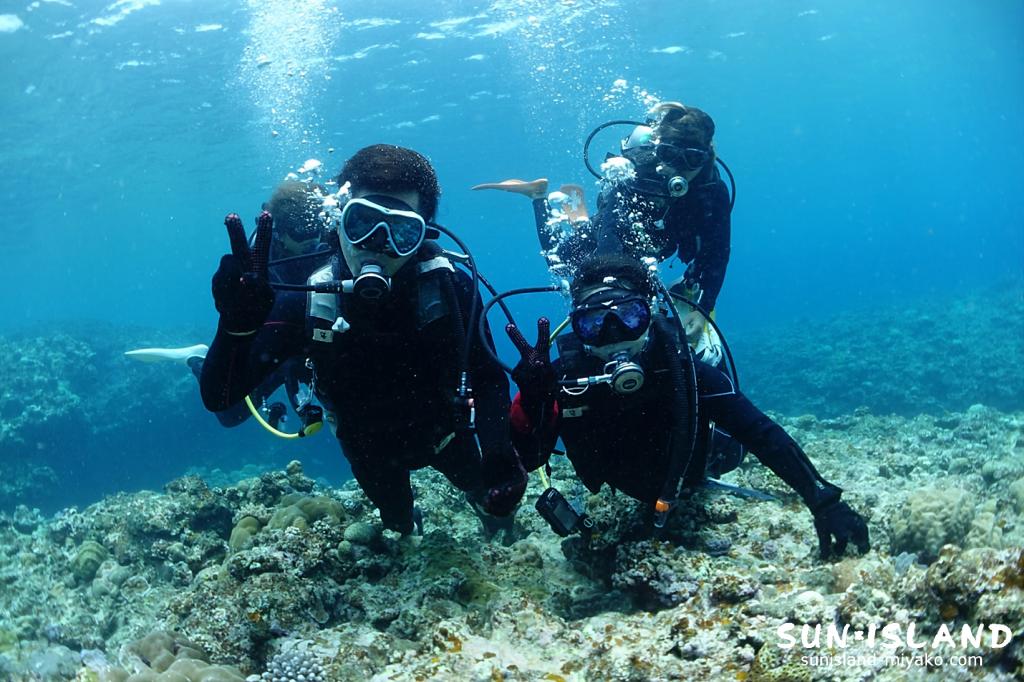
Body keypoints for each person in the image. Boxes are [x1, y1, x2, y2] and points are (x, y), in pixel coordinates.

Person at [199, 144, 523, 535]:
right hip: (369, 451)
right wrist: (234, 330)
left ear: (423, 235)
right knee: (398, 521)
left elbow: (488, 379)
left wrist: (499, 450)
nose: (376, 245)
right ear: (338, 220)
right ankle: (406, 520)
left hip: (444, 436)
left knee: (488, 496)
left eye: (401, 231)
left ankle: (482, 507)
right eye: (362, 223)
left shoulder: (450, 290)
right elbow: (221, 398)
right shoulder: (311, 301)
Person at [503, 253, 869, 560]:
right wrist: (532, 401)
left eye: (629, 316)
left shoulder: (683, 373)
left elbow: (758, 431)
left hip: (698, 467)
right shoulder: (564, 382)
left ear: (649, 314)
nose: (614, 334)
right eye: (595, 322)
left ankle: (709, 347)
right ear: (577, 328)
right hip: (629, 482)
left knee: (732, 451)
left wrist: (823, 500)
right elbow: (529, 460)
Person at [474, 101, 732, 346]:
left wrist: (703, 308)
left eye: (692, 159)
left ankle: (581, 225)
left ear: (707, 157)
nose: (677, 168)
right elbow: (610, 227)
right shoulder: (636, 171)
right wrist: (609, 288)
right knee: (560, 263)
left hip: (661, 240)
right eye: (668, 154)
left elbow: (718, 252)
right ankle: (538, 195)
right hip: (615, 227)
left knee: (657, 266)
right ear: (658, 150)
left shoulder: (713, 191)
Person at [127, 180, 332, 432]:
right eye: (300, 231)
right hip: (278, 334)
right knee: (230, 414)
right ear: (279, 230)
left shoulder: (335, 241)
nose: (312, 238)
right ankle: (197, 359)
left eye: (315, 227)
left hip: (320, 332)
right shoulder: (261, 257)